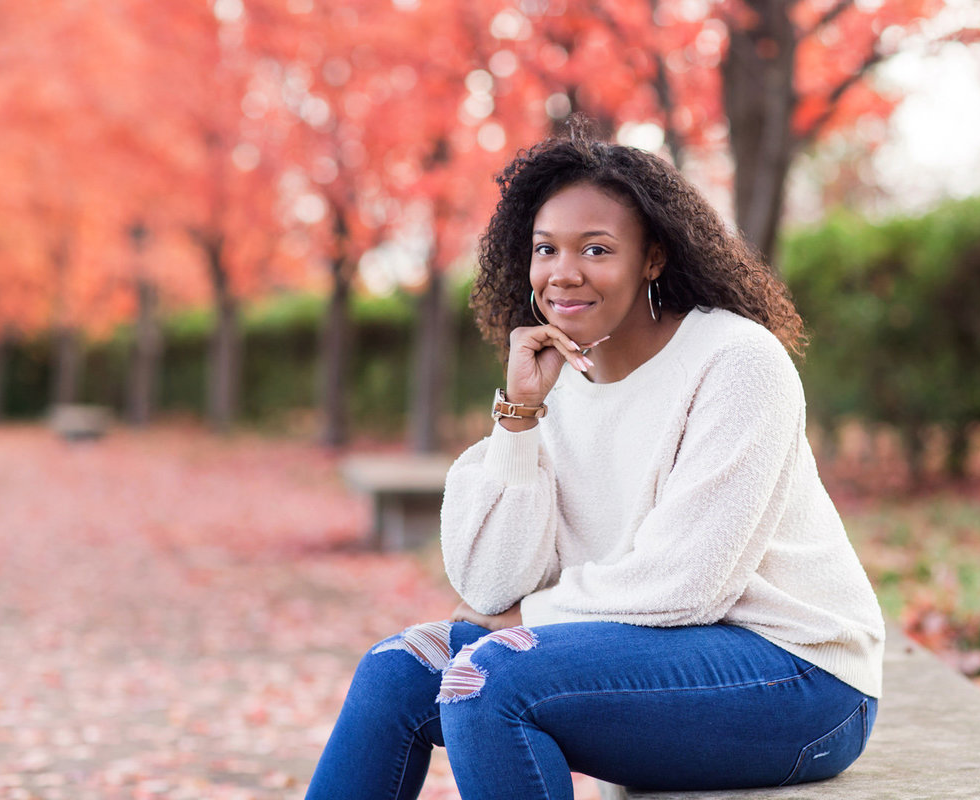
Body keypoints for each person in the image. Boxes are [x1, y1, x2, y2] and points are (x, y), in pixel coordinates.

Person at [304, 121, 885, 800]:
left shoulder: (737, 361)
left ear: (653, 259)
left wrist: (527, 620)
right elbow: (491, 585)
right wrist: (519, 418)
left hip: (799, 681)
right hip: (646, 656)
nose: (563, 272)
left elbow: (689, 581)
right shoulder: (557, 386)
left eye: (596, 249)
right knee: (397, 671)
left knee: (488, 681)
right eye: (545, 248)